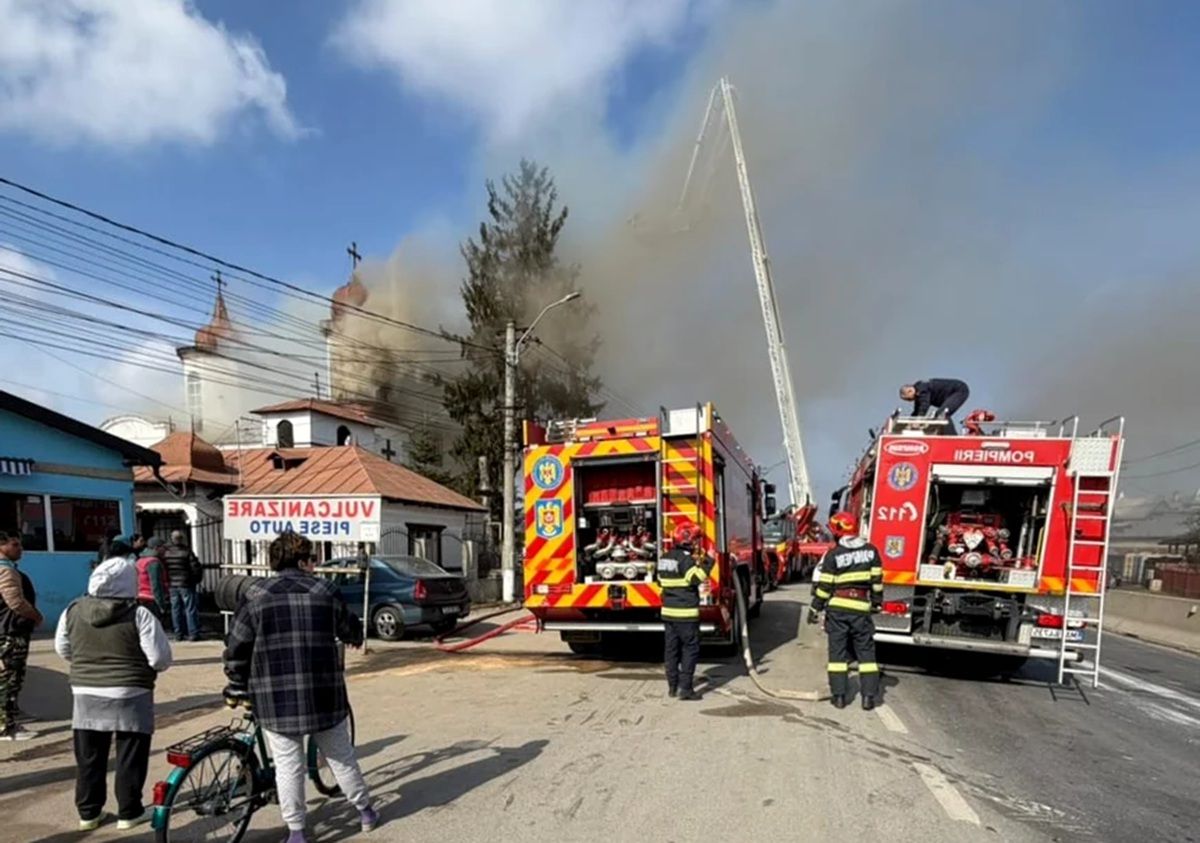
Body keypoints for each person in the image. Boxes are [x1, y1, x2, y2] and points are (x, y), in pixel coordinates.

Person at [223, 533, 379, 843]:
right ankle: (365, 812)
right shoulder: (325, 590)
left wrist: (236, 682)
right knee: (341, 757)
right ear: (303, 561)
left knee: (287, 766)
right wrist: (354, 636)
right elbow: (350, 629)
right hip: (324, 694)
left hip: (274, 697)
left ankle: (296, 832)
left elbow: (237, 645)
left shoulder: (255, 593)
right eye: (312, 558)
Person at [55, 557, 172, 831]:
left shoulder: (71, 610)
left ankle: (88, 813)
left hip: (85, 691)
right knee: (130, 755)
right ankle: (129, 812)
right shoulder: (139, 614)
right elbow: (159, 658)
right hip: (130, 691)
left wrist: (87, 666)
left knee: (89, 757)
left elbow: (63, 648)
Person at [808, 511, 884, 710]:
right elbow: (876, 582)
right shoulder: (872, 551)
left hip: (838, 611)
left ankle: (839, 697)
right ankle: (868, 698)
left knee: (837, 655)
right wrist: (876, 602)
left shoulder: (834, 554)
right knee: (866, 655)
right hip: (861, 609)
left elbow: (824, 587)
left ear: (837, 531)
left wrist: (814, 608)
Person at [655, 525, 710, 702]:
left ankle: (672, 686)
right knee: (690, 649)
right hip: (685, 613)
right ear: (687, 541)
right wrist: (709, 562)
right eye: (694, 540)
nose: (695, 543)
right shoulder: (685, 559)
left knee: (671, 650)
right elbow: (695, 578)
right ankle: (685, 688)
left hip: (668, 614)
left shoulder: (664, 558)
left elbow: (660, 582)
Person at [0, 530, 43, 741]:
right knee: (9, 678)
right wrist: (35, 616)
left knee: (9, 677)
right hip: (10, 631)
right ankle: (6, 727)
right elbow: (15, 602)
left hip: (7, 630)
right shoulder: (5, 571)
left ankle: (11, 716)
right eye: (15, 545)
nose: (20, 549)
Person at [162, 530, 202, 641]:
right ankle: (193, 633)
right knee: (190, 608)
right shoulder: (187, 551)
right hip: (186, 583)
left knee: (175, 608)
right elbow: (195, 567)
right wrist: (196, 579)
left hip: (172, 583)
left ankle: (178, 633)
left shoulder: (166, 553)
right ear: (182, 539)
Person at [899, 378, 970, 434]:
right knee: (937, 416)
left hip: (959, 390)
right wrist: (908, 423)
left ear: (910, 391)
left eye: (908, 399)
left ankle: (952, 438)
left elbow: (924, 406)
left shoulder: (922, 388)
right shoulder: (919, 392)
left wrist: (918, 421)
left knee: (942, 414)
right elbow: (917, 411)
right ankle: (943, 436)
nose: (910, 401)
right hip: (950, 394)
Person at [135, 538, 170, 621]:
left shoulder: (139, 560)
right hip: (151, 600)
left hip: (140, 596)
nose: (165, 550)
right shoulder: (153, 562)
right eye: (163, 548)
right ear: (156, 548)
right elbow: (156, 584)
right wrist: (161, 605)